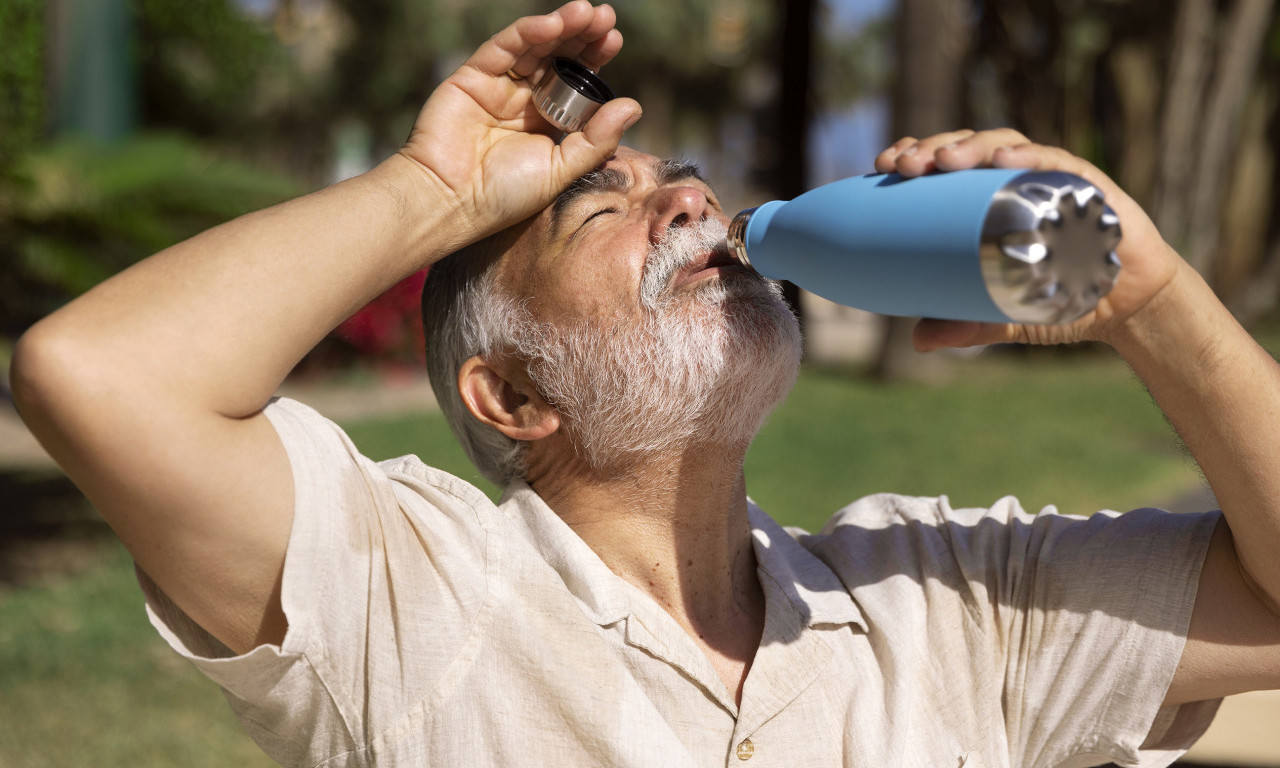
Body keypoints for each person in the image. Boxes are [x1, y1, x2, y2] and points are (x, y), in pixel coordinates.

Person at [11, 2, 1280, 766]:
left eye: (680, 181)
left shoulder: (948, 605)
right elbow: (99, 376)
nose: (691, 199)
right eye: (597, 208)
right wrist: (436, 192)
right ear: (511, 396)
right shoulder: (406, 597)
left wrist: (1148, 302)